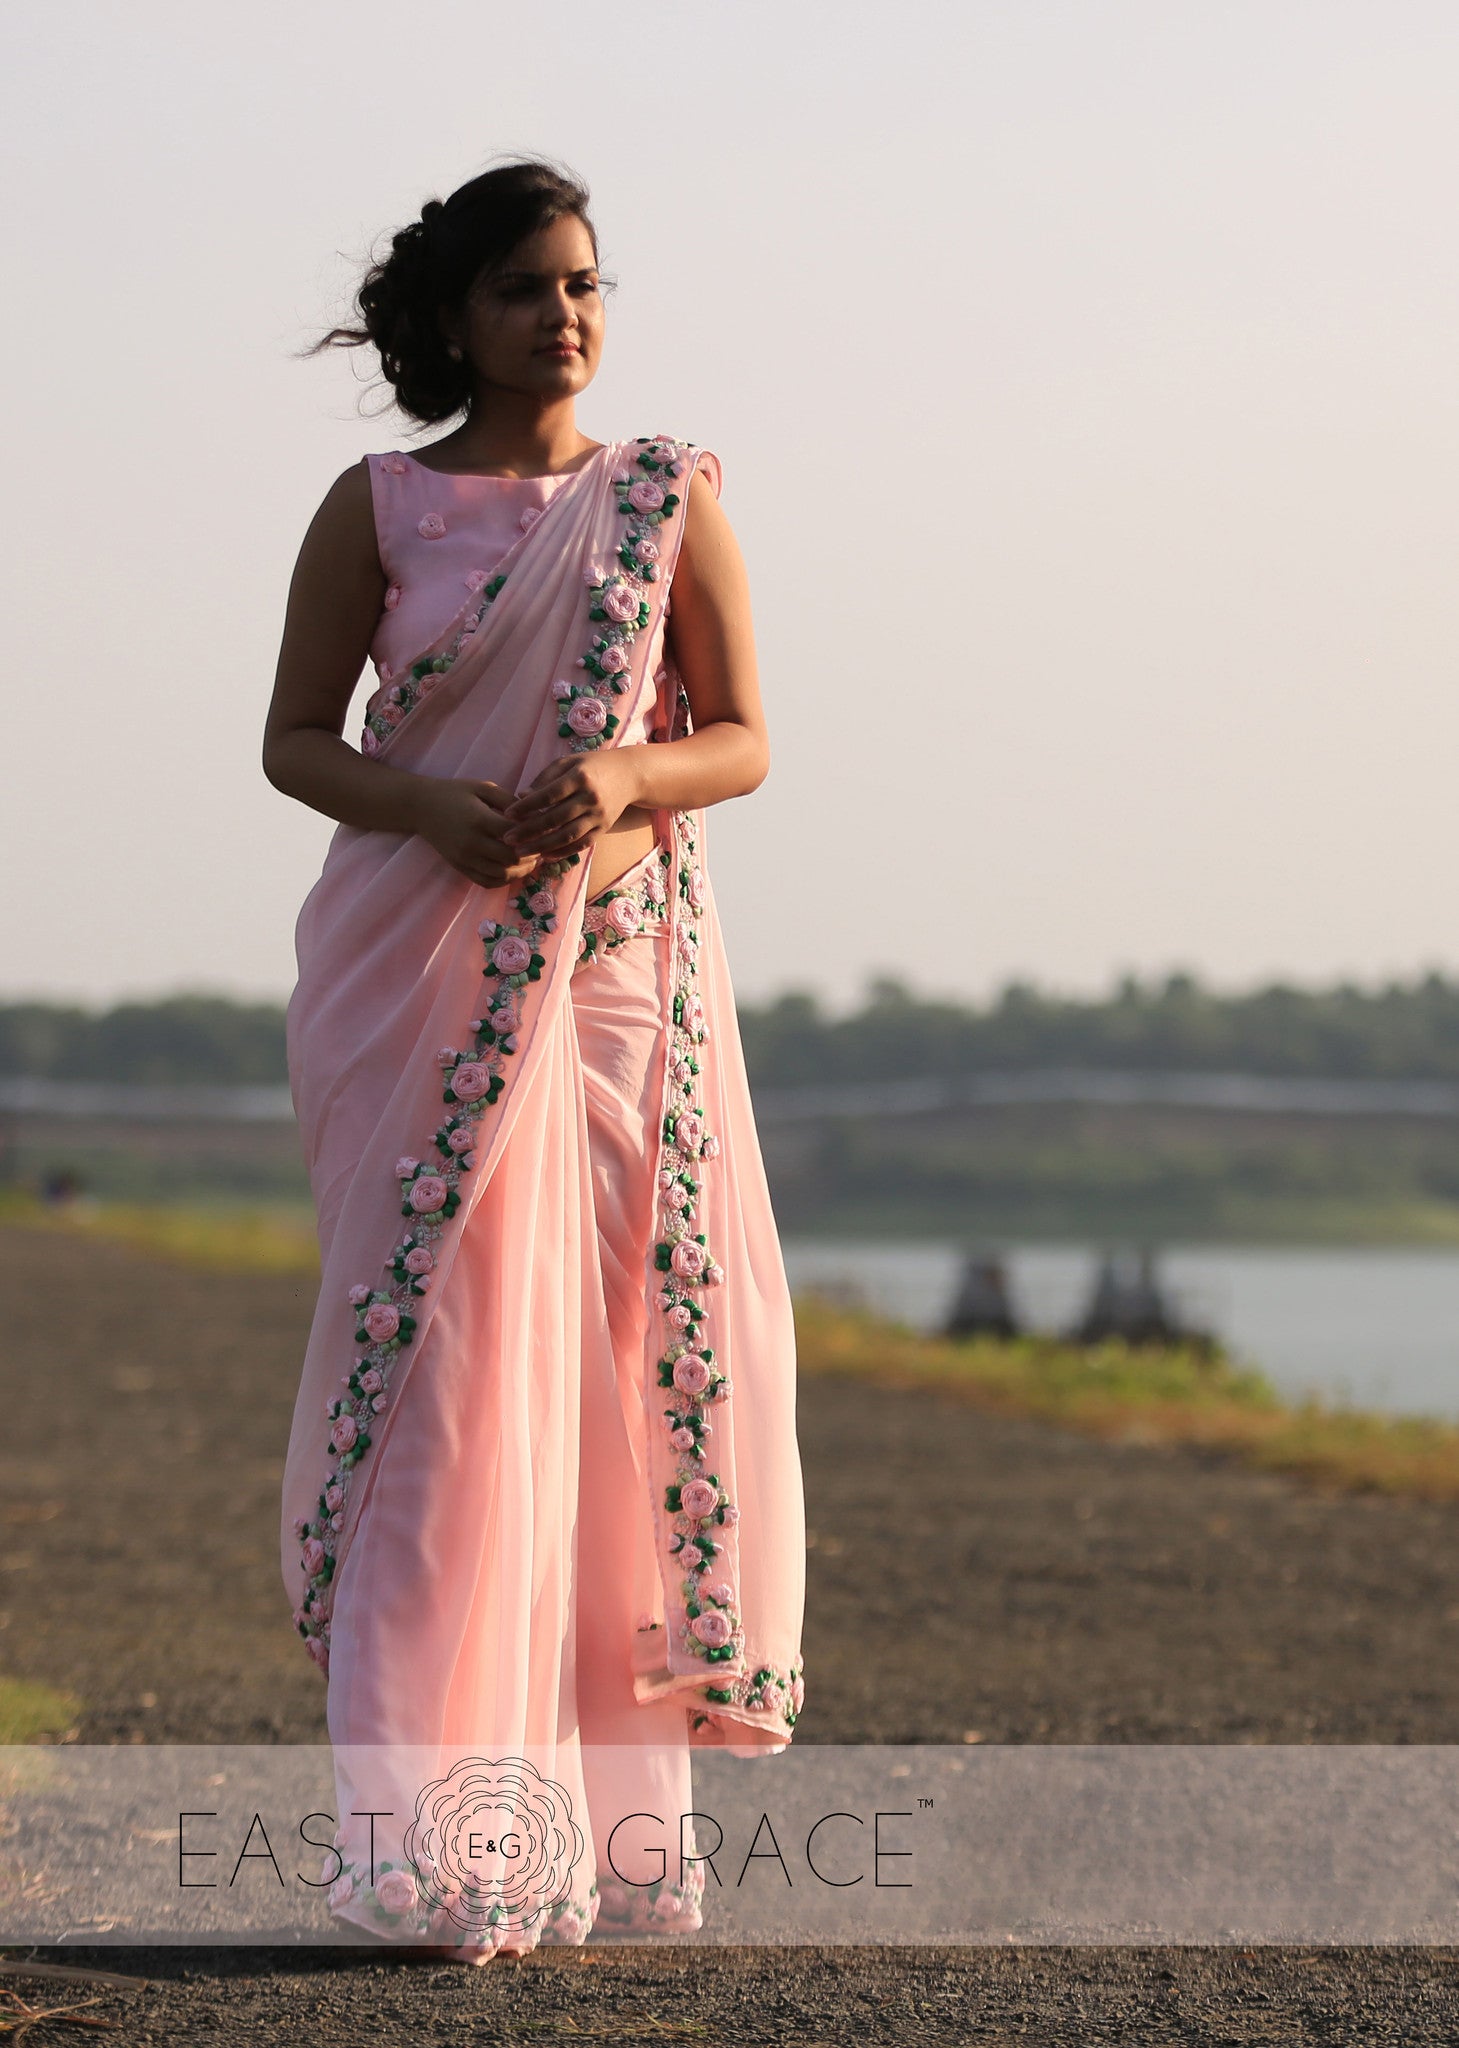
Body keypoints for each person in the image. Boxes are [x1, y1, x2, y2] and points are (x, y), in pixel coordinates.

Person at [262, 158, 807, 1960]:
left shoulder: (662, 499)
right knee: (451, 1383)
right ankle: (430, 1850)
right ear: (456, 318)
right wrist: (431, 801)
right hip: (417, 965)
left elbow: (735, 735)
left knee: (602, 1381)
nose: (564, 318)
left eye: (583, 285)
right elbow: (294, 742)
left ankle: (613, 1845)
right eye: (524, 290)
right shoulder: (383, 506)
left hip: (613, 978)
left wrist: (623, 782)